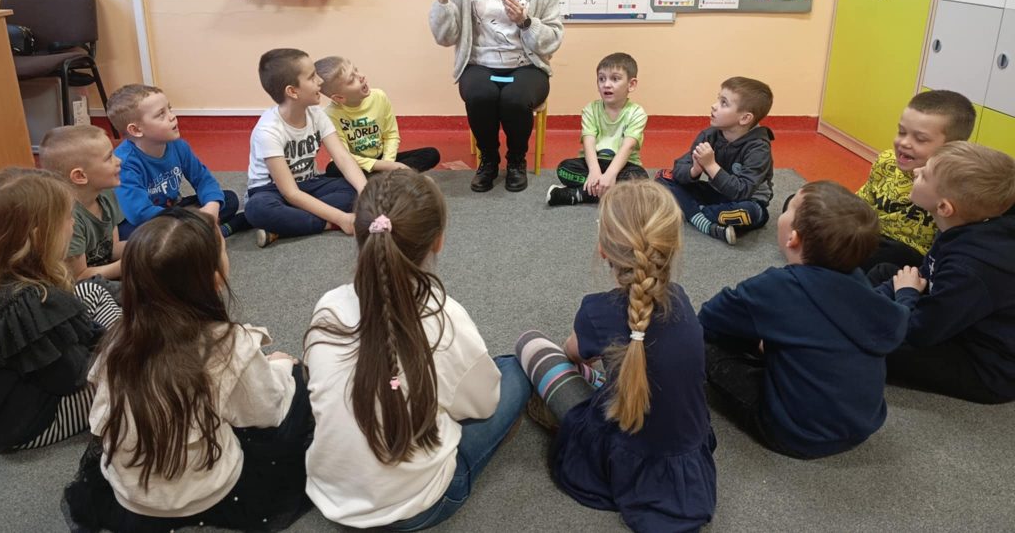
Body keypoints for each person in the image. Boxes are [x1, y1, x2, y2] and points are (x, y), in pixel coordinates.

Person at [62, 209, 313, 531]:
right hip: (207, 493)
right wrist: (279, 366)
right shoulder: (228, 344)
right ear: (216, 278)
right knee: (297, 383)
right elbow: (266, 412)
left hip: (130, 496)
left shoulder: (116, 342)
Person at [305, 170, 530, 529]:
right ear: (437, 241)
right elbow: (484, 405)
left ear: (359, 234)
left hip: (331, 496)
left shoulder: (327, 307)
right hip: (419, 506)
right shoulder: (444, 318)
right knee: (515, 371)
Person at [516, 181, 716, 532]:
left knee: (529, 343)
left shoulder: (596, 311)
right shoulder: (681, 300)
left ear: (604, 250)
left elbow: (572, 354)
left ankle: (571, 401)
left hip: (620, 453)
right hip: (686, 455)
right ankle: (603, 384)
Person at [699, 181, 908, 458]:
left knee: (703, 346)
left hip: (795, 433)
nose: (784, 209)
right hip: (862, 425)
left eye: (790, 207)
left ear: (793, 238)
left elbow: (709, 318)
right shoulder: (860, 283)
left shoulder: (776, 287)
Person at [429, 0, 564, 193]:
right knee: (480, 95)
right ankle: (488, 159)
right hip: (480, 62)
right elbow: (446, 36)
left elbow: (554, 37)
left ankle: (516, 160)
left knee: (514, 99)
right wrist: (443, 1)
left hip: (527, 64)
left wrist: (526, 22)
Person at [872, 142, 1015, 404]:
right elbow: (926, 275)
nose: (916, 172)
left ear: (944, 208)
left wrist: (905, 295)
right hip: (953, 316)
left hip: (986, 365)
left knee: (868, 343)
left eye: (925, 175)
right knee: (887, 272)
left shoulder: (970, 269)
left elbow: (921, 331)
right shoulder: (963, 223)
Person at [0, 168, 121, 451]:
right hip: (31, 421)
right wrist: (112, 353)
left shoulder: (8, 280)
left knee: (90, 291)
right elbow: (72, 377)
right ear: (40, 237)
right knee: (137, 380)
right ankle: (138, 348)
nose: (74, 224)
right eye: (68, 218)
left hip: (14, 399)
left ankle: (130, 342)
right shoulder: (33, 302)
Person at [244, 48, 367, 248]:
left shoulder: (317, 114)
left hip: (308, 184)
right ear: (292, 91)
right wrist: (341, 219)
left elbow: (343, 159)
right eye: (312, 77)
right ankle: (328, 224)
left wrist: (365, 192)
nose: (320, 81)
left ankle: (283, 226)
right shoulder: (268, 131)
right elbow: (290, 193)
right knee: (257, 209)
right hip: (273, 191)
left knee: (353, 187)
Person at [106, 84, 248, 239]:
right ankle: (219, 231)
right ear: (136, 130)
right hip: (148, 221)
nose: (172, 116)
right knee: (133, 236)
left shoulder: (178, 145)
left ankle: (193, 235)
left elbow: (203, 179)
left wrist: (211, 207)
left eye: (170, 109)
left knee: (228, 199)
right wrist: (191, 217)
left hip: (175, 209)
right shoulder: (124, 162)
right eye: (161, 114)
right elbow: (139, 213)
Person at [857, 89, 976, 270]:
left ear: (952, 147)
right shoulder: (886, 161)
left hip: (911, 257)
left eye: (920, 139)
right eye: (901, 132)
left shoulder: (956, 186)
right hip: (872, 237)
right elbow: (861, 204)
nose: (904, 143)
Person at [656, 76, 775, 245]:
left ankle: (693, 212)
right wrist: (694, 170)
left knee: (749, 213)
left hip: (748, 201)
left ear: (744, 118)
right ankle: (705, 220)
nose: (714, 105)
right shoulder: (710, 134)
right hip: (715, 193)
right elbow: (680, 168)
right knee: (663, 177)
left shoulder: (759, 148)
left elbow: (742, 191)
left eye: (724, 103)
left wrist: (710, 165)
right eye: (718, 99)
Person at [547, 52, 649, 206]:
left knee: (640, 181)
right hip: (593, 162)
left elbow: (628, 147)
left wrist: (610, 174)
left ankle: (579, 194)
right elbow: (588, 142)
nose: (606, 84)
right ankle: (609, 191)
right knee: (564, 169)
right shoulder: (590, 109)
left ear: (631, 84)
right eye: (601, 79)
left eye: (615, 79)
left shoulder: (637, 113)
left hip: (623, 166)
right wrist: (594, 171)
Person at [315, 55, 440, 179]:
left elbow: (391, 135)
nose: (361, 76)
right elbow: (344, 156)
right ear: (339, 98)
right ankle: (390, 178)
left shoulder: (380, 97)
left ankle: (379, 179)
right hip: (355, 163)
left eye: (356, 70)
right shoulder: (331, 115)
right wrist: (384, 167)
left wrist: (388, 163)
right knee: (333, 169)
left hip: (382, 159)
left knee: (431, 154)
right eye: (352, 79)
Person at [39, 125, 124, 290]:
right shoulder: (68, 217)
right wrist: (130, 263)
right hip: (78, 288)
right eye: (109, 157)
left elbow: (112, 248)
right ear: (80, 176)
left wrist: (146, 246)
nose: (119, 160)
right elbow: (79, 277)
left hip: (102, 276)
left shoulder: (106, 195)